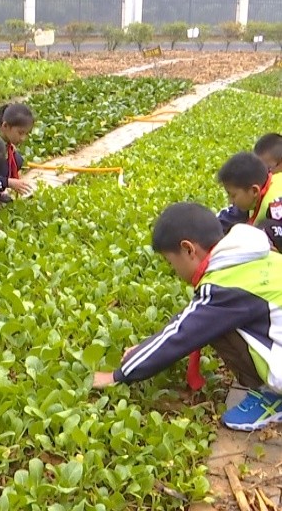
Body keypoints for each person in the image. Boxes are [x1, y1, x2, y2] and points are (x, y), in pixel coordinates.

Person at [93, 202, 282, 432]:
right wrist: (145, 347)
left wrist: (118, 375)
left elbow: (183, 334)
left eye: (171, 263)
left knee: (217, 329)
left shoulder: (225, 287)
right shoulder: (253, 257)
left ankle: (272, 397)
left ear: (189, 249)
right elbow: (192, 316)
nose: (174, 271)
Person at [216, 152, 282, 252]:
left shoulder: (276, 206)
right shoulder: (255, 197)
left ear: (254, 191)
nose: (231, 201)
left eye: (233, 195)